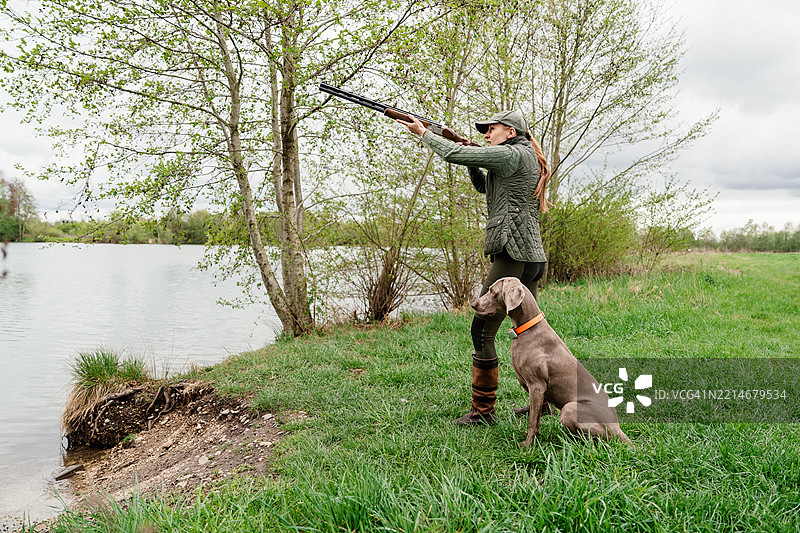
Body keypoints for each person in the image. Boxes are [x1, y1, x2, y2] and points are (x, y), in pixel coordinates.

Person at [396, 110, 551, 425]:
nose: (485, 135)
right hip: (533, 257)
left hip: (513, 254)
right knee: (532, 332)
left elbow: (454, 154)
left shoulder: (512, 153)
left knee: (482, 330)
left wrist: (424, 134)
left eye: (490, 130)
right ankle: (545, 400)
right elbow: (483, 186)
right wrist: (474, 158)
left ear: (509, 131)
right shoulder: (522, 155)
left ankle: (482, 413)